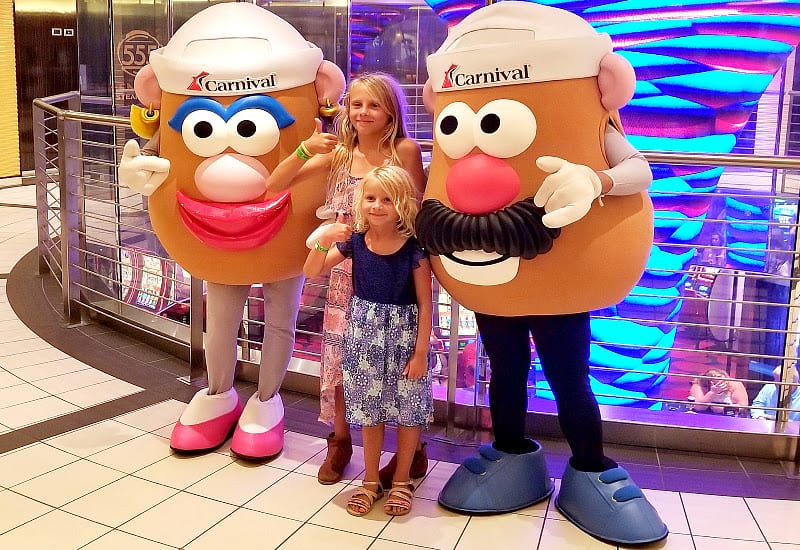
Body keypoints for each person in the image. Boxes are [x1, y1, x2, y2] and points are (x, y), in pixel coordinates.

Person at [267, 72, 428, 485]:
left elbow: (422, 209)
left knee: (400, 358)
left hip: (395, 268)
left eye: (373, 104)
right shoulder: (339, 154)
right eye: (356, 104)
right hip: (344, 271)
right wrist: (303, 149)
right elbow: (274, 184)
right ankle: (340, 441)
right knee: (342, 360)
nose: (363, 112)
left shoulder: (405, 151)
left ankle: (412, 451)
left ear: (391, 109)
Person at [303, 165, 433, 517]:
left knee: (408, 412)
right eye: (371, 198)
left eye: (387, 199)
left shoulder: (414, 250)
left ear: (403, 203)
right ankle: (371, 479)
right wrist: (324, 236)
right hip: (364, 337)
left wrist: (421, 352)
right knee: (369, 412)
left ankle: (403, 479)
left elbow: (425, 303)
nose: (377, 206)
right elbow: (312, 270)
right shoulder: (356, 243)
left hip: (405, 337)